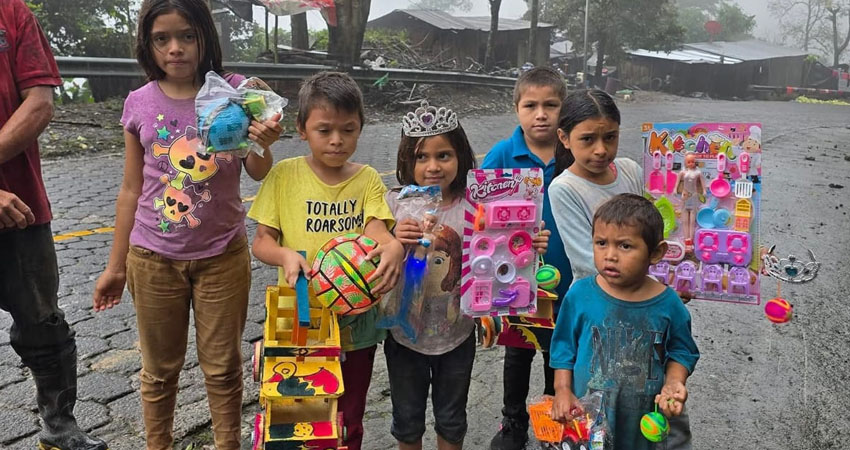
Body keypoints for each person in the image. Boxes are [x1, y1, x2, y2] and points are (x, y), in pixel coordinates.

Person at [91, 0, 282, 448]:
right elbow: (130, 190)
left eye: (187, 36)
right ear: (148, 44)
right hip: (152, 259)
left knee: (222, 367)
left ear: (204, 37)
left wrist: (264, 142)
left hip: (223, 257)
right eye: (162, 39)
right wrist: (116, 267)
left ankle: (227, 443)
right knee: (159, 371)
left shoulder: (237, 92)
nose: (175, 49)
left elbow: (258, 171)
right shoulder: (139, 103)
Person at [248, 71, 404, 450]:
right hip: (301, 319)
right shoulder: (284, 175)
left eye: (348, 130)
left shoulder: (367, 179)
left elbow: (376, 231)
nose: (337, 140)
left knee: (349, 414)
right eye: (324, 130)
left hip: (357, 323)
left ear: (360, 129)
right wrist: (285, 254)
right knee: (299, 410)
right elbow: (261, 242)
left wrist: (394, 246)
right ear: (302, 129)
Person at [385, 100, 552, 450]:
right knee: (407, 421)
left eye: (443, 155)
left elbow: (507, 244)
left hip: (457, 337)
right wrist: (392, 239)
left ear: (460, 156)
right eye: (421, 157)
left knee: (451, 417)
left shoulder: (475, 206)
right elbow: (375, 255)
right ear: (406, 161)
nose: (433, 166)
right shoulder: (394, 205)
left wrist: (529, 242)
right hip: (404, 337)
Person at [0, 2, 109, 449]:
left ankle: (58, 426)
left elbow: (39, 103)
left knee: (43, 321)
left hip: (21, 208)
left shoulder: (12, 13)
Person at [549, 193, 700, 449]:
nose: (610, 255)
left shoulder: (668, 304)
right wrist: (562, 389)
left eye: (625, 246)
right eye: (601, 243)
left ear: (656, 253)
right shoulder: (580, 295)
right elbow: (564, 349)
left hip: (645, 419)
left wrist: (674, 382)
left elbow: (682, 350)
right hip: (591, 416)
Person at [481, 66, 571, 450]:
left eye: (551, 105)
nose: (541, 114)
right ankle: (513, 423)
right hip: (516, 278)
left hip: (568, 278)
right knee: (517, 351)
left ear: (563, 109)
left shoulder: (574, 150)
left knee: (560, 353)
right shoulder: (503, 153)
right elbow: (479, 209)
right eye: (530, 105)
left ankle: (556, 421)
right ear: (516, 108)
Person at [548, 88, 643, 285]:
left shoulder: (631, 171)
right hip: (597, 297)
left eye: (610, 137)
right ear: (564, 138)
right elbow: (587, 260)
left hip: (642, 288)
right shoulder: (564, 188)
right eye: (587, 139)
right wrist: (652, 282)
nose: (601, 150)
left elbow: (655, 229)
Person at [675, 153, 705, 251]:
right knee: (684, 221)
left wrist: (704, 191)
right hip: (685, 195)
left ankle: (690, 240)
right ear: (686, 162)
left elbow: (703, 183)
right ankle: (686, 240)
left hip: (694, 195)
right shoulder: (682, 173)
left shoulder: (698, 173)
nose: (691, 163)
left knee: (692, 221)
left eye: (693, 161)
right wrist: (675, 190)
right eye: (689, 162)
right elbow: (677, 183)